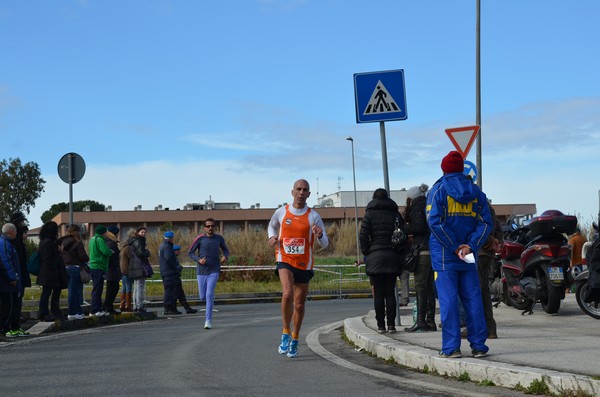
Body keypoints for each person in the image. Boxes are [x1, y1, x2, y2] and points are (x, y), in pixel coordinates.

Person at [426, 150, 493, 359]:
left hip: (445, 256)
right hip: (468, 255)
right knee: (473, 300)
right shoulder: (476, 193)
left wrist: (454, 246)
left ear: (443, 168)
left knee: (448, 302)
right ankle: (479, 346)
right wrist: (470, 246)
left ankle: (451, 347)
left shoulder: (437, 191)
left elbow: (434, 222)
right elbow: (486, 223)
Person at [268, 179, 329, 358]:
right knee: (287, 293)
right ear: (292, 192)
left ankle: (295, 338)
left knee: (300, 304)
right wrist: (271, 237)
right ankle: (286, 331)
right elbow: (271, 226)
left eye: (305, 190)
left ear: (309, 194)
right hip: (284, 258)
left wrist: (319, 236)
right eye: (298, 189)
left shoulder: (313, 216)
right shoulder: (282, 212)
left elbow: (325, 244)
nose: (301, 192)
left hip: (304, 262)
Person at [359, 188, 403, 334]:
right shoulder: (395, 214)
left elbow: (363, 236)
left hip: (375, 256)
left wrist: (367, 252)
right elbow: (402, 234)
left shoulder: (369, 214)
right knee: (390, 292)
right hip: (391, 255)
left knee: (378, 293)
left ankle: (381, 325)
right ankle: (391, 325)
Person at [404, 183, 437, 333]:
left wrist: (405, 229)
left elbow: (419, 227)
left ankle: (421, 321)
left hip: (422, 252)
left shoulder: (417, 207)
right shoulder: (428, 205)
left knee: (420, 288)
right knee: (429, 288)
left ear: (411, 198)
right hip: (431, 250)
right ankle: (431, 321)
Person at [189, 218, 229, 329]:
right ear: (204, 228)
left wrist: (225, 256)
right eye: (208, 226)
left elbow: (226, 250)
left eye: (212, 226)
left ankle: (208, 321)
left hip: (214, 270)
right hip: (202, 271)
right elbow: (190, 253)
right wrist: (199, 260)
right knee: (202, 297)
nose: (210, 228)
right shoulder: (200, 239)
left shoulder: (219, 238)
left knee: (209, 295)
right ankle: (209, 297)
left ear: (215, 227)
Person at [476, 201, 503, 339]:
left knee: (476, 291)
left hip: (477, 252)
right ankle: (490, 328)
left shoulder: (475, 206)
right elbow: (498, 228)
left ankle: (478, 327)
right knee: (484, 290)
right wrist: (494, 242)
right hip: (487, 254)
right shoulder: (490, 209)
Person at [37, 221, 68, 321]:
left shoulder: (45, 241)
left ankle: (48, 312)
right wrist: (58, 252)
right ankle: (46, 312)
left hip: (48, 272)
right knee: (49, 293)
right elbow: (48, 257)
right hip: (50, 272)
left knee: (48, 293)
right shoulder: (48, 243)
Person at [57, 224, 89, 320]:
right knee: (75, 292)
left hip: (65, 268)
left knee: (73, 291)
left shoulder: (62, 242)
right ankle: (73, 312)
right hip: (75, 268)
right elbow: (83, 256)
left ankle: (78, 312)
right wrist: (87, 258)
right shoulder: (77, 242)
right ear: (76, 232)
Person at [0, 223, 25, 337]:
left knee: (9, 305)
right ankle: (5, 328)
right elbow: (6, 261)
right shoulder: (5, 244)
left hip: (6, 281)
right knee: (8, 306)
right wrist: (12, 277)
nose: (16, 233)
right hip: (7, 282)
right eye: (15, 231)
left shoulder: (6, 243)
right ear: (10, 231)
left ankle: (8, 327)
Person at [8, 212, 31, 326]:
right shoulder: (15, 242)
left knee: (17, 299)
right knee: (16, 299)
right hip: (18, 273)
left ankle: (15, 320)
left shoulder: (15, 241)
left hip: (19, 272)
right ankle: (13, 323)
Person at [88, 225, 113, 317]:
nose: (107, 234)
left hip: (93, 265)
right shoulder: (100, 240)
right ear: (103, 232)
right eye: (106, 232)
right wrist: (110, 251)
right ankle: (95, 310)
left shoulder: (92, 240)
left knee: (96, 288)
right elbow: (105, 251)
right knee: (98, 289)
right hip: (99, 265)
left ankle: (94, 309)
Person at [128, 227, 152, 313]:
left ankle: (135, 305)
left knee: (136, 287)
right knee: (140, 286)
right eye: (142, 232)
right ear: (138, 232)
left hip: (134, 265)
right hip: (139, 266)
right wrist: (147, 252)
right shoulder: (140, 240)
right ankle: (139, 305)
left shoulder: (132, 241)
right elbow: (141, 252)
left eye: (145, 232)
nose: (144, 234)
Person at [160, 231, 182, 315]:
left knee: (168, 290)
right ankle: (170, 308)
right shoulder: (168, 246)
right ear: (172, 238)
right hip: (169, 272)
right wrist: (176, 267)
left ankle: (168, 308)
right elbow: (169, 259)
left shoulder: (162, 245)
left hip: (165, 271)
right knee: (170, 291)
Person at [173, 244, 197, 314]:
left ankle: (186, 308)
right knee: (179, 294)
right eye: (178, 250)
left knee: (179, 294)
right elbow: (176, 267)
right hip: (175, 277)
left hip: (175, 277)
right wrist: (180, 268)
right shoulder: (173, 258)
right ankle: (186, 308)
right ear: (175, 251)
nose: (179, 252)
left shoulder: (173, 257)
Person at [103, 225, 121, 314]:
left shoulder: (108, 242)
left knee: (111, 288)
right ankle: (108, 306)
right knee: (112, 289)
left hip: (111, 270)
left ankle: (107, 306)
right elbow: (112, 258)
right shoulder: (111, 244)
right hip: (112, 270)